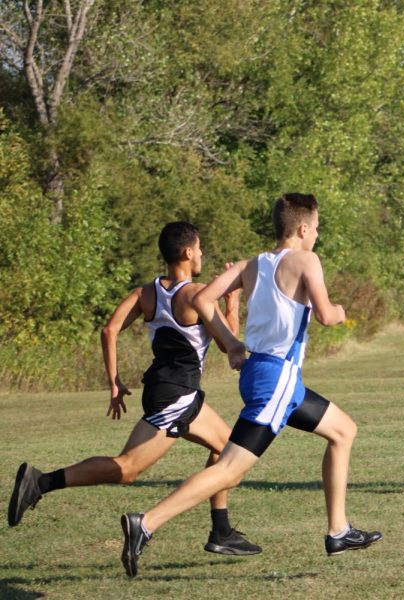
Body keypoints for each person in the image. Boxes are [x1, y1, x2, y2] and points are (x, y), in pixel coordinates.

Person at [119, 193, 381, 578]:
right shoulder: (307, 260)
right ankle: (147, 523)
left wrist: (234, 346)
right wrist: (341, 312)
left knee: (344, 430)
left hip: (269, 376)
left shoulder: (251, 264)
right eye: (318, 228)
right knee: (228, 468)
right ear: (304, 228)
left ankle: (338, 531)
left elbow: (205, 298)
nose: (318, 235)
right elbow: (325, 315)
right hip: (276, 380)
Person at [7, 222, 261, 556]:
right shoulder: (197, 295)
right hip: (177, 396)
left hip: (164, 389)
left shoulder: (146, 293)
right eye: (199, 249)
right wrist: (232, 300)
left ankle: (222, 531)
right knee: (127, 469)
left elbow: (109, 330)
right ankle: (41, 482)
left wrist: (114, 381)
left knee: (228, 450)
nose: (201, 254)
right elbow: (228, 342)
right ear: (187, 252)